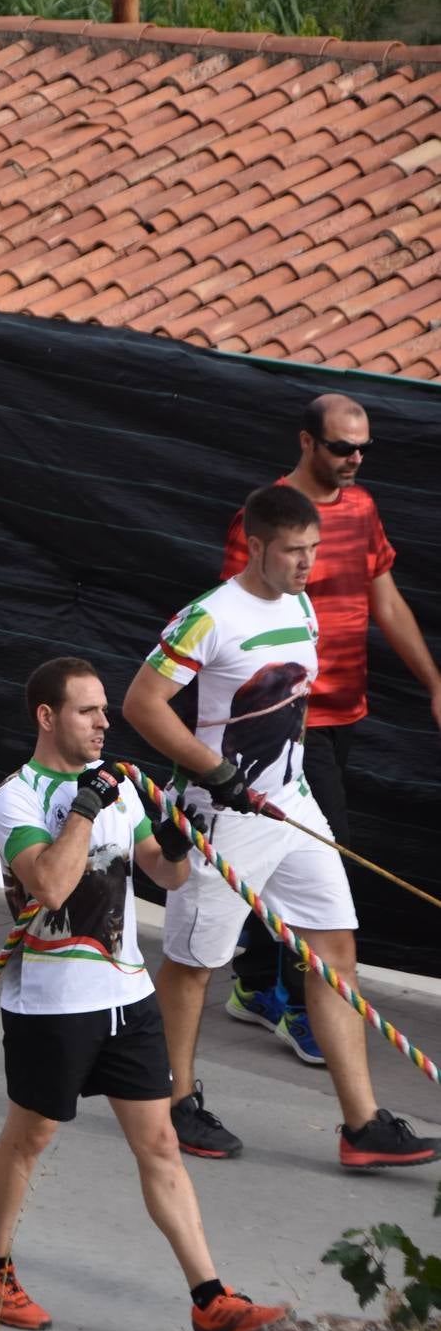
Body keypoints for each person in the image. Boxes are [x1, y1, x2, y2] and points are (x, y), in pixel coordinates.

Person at [0, 656, 288, 1331]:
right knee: (30, 1139)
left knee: (161, 1144)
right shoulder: (14, 800)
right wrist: (84, 805)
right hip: (51, 1004)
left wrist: (177, 831)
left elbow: (165, 875)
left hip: (126, 995)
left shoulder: (119, 789)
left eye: (104, 710)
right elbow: (49, 885)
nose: (103, 723)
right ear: (46, 717)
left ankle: (210, 1300)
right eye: (87, 711)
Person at [122, 483, 436, 1169]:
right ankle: (174, 1106)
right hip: (220, 814)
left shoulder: (298, 603)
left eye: (314, 551)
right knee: (191, 966)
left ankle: (361, 1127)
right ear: (255, 546)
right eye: (293, 551)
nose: (307, 564)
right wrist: (214, 771)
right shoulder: (207, 617)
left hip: (290, 805)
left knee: (335, 950)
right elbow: (141, 704)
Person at [217, 395, 441, 1066]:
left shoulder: (363, 508)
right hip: (289, 726)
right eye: (341, 447)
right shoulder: (263, 519)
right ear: (306, 443)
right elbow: (237, 621)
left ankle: (254, 984)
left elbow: (386, 598)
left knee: (280, 849)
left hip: (346, 713)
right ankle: (295, 1004)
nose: (353, 459)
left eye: (361, 448)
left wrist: (433, 682)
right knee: (321, 859)